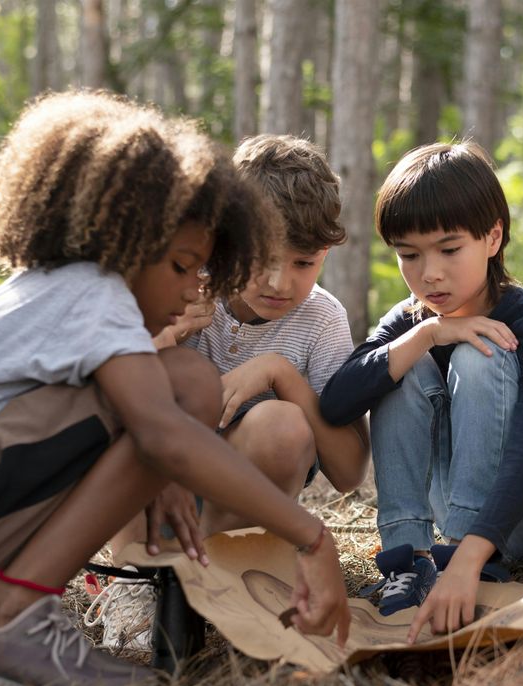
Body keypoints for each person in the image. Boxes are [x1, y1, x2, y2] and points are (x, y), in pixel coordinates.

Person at [0, 92, 351, 686]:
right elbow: (164, 433)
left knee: (181, 384)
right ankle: (5, 617)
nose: (196, 286)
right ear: (123, 243)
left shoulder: (60, 290)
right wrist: (312, 535)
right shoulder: (95, 296)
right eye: (181, 265)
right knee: (182, 387)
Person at [90, 135, 370, 651]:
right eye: (261, 257)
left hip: (236, 502)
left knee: (283, 425)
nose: (279, 282)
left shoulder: (321, 320)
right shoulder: (183, 285)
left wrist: (282, 373)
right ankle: (134, 576)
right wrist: (166, 334)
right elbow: (102, 396)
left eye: (303, 263)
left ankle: (218, 570)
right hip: (151, 487)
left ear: (326, 254)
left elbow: (350, 471)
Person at [319, 142, 523, 641]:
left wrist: (469, 556)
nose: (429, 273)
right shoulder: (412, 318)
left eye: (449, 250)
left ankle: (463, 555)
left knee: (480, 351)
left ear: (493, 237)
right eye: (409, 254)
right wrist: (427, 334)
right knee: (399, 364)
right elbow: (335, 403)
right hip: (464, 504)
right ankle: (407, 561)